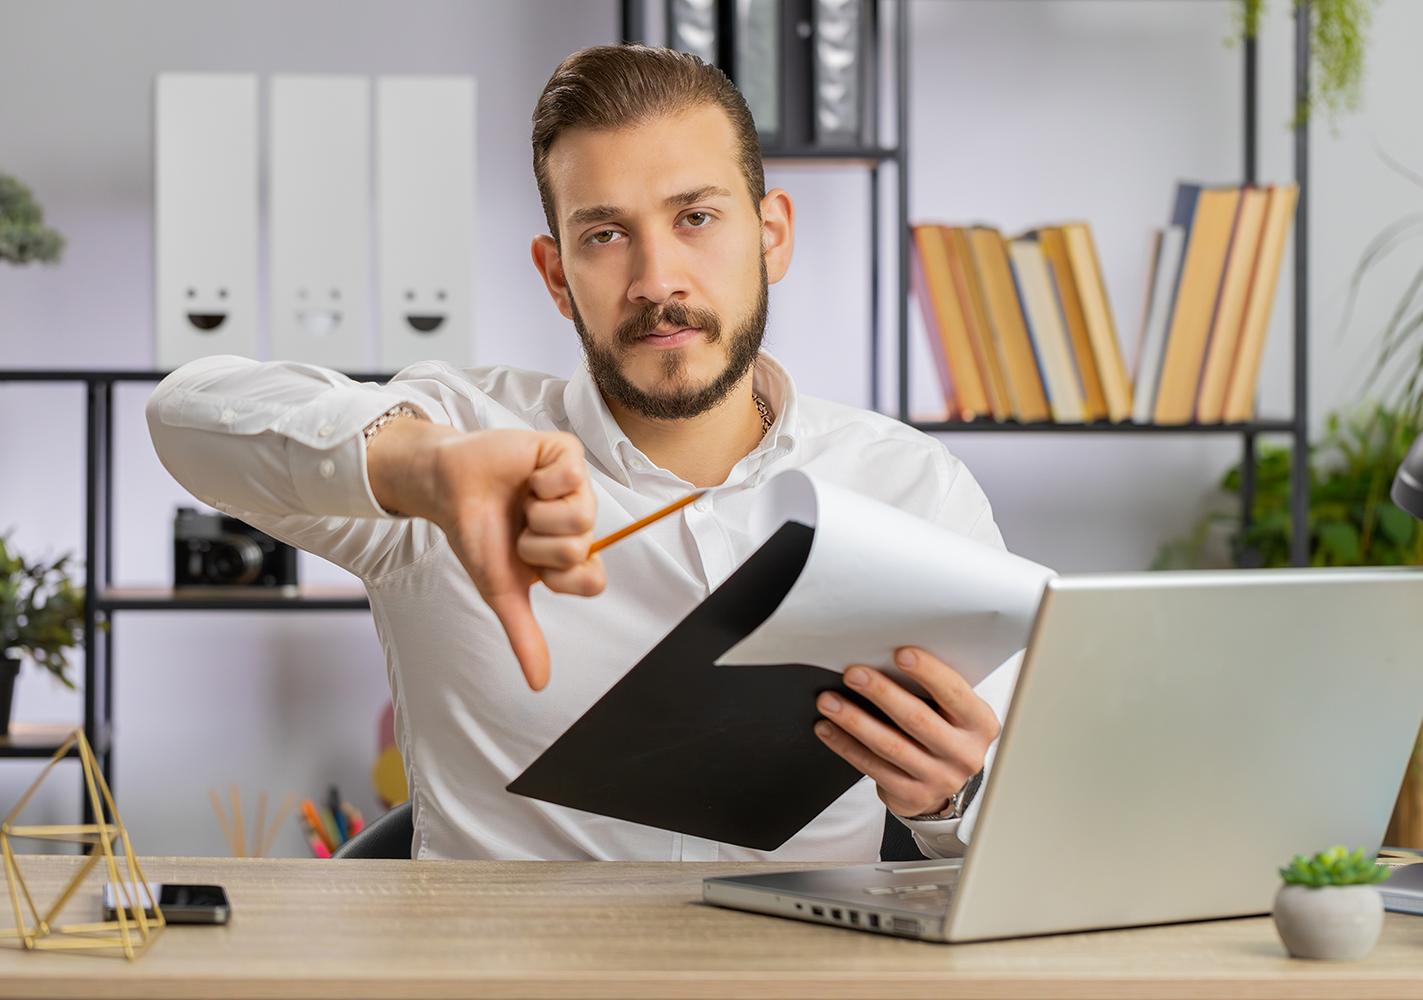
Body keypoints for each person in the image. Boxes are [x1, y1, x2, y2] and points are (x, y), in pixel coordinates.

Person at [147, 45, 1024, 862]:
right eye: (605, 234)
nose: (657, 280)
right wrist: (425, 468)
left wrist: (953, 800)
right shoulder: (467, 444)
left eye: (696, 218)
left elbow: (1024, 838)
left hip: (807, 959)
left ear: (772, 235)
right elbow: (187, 414)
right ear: (557, 274)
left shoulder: (913, 488)